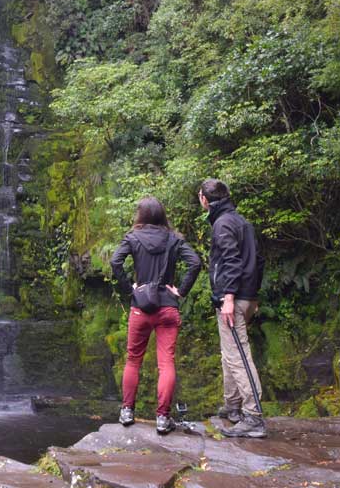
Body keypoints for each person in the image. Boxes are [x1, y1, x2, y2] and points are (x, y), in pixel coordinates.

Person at [111, 197, 201, 435]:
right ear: (162, 215)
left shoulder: (132, 237)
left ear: (140, 215)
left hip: (141, 307)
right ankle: (163, 418)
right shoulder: (174, 239)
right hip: (167, 307)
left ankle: (127, 411)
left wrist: (130, 289)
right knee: (166, 363)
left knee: (133, 360)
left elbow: (115, 261)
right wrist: (180, 291)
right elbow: (195, 262)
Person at [198, 179, 267, 438]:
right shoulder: (241, 221)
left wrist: (228, 297)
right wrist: (253, 295)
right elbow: (258, 260)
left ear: (205, 199)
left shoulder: (223, 224)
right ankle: (233, 406)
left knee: (238, 356)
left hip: (233, 299)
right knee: (230, 353)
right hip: (246, 297)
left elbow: (231, 261)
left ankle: (253, 417)